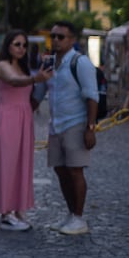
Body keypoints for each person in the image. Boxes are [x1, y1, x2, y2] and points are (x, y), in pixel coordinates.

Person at [0, 31, 52, 231]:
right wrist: (37, 78)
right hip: (6, 119)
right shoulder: (2, 66)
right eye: (17, 44)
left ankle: (18, 208)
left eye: (24, 45)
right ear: (8, 45)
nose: (21, 48)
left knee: (21, 164)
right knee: (6, 164)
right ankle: (5, 212)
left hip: (23, 119)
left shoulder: (23, 66)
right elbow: (13, 81)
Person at [45, 21, 98, 235]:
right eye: (53, 36)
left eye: (61, 37)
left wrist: (90, 128)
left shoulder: (80, 62)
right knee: (60, 170)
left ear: (72, 40)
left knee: (75, 171)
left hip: (75, 123)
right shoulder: (50, 63)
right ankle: (70, 214)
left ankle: (79, 217)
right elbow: (41, 90)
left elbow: (92, 96)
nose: (56, 40)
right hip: (56, 124)